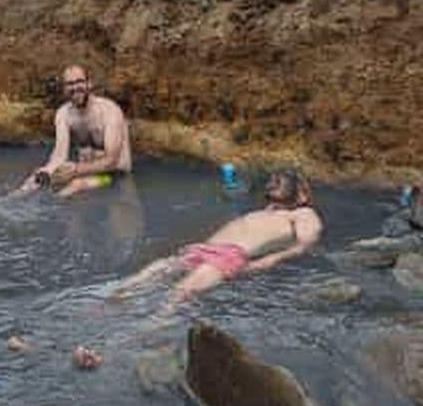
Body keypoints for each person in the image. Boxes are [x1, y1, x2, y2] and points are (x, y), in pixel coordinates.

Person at [113, 168, 323, 306]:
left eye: (280, 182)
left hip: (229, 256)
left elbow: (302, 245)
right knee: (157, 269)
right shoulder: (270, 211)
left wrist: (264, 263)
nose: (273, 183)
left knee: (180, 292)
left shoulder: (304, 214)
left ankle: (144, 333)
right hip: (207, 249)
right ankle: (110, 302)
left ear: (301, 194)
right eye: (273, 181)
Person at [18, 64, 132, 198]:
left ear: (89, 84)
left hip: (115, 175)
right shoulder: (63, 114)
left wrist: (76, 170)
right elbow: (60, 155)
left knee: (75, 186)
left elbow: (112, 160)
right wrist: (46, 172)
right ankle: (10, 204)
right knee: (34, 181)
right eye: (70, 84)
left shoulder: (109, 111)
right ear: (65, 89)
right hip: (83, 172)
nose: (75, 87)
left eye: (79, 82)